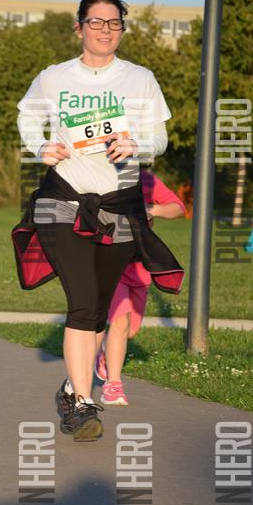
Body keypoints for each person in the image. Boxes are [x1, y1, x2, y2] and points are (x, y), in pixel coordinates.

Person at [15, 0, 183, 441]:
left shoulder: (140, 79)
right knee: (84, 300)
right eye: (96, 22)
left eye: (114, 23)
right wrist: (40, 146)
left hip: (119, 206)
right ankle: (83, 405)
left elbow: (160, 138)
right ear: (79, 27)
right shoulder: (54, 78)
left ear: (121, 29)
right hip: (63, 202)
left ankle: (72, 388)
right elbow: (27, 118)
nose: (105, 30)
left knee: (97, 311)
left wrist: (137, 145)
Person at [95, 169, 185, 404]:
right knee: (120, 321)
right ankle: (113, 385)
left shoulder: (145, 179)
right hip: (111, 259)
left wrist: (152, 209)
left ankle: (104, 354)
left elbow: (178, 208)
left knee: (130, 330)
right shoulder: (102, 175)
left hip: (139, 264)